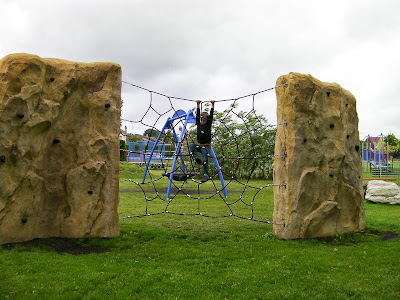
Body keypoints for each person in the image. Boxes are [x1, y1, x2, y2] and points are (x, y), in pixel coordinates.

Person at [189, 100, 215, 182]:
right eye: (201, 120)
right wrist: (197, 105)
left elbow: (211, 116)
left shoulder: (208, 125)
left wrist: (212, 105)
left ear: (207, 120)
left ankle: (205, 175)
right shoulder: (198, 124)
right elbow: (197, 116)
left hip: (206, 146)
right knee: (191, 145)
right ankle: (197, 158)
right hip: (199, 145)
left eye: (204, 120)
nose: (202, 122)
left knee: (205, 159)